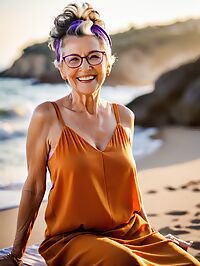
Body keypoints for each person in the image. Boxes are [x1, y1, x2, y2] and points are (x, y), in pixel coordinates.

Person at [0, 2, 199, 265]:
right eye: (73, 59)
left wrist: (153, 235)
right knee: (127, 263)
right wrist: (16, 253)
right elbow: (35, 187)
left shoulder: (124, 117)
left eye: (95, 56)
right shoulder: (47, 116)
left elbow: (132, 192)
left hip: (130, 233)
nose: (85, 67)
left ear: (108, 63)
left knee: (188, 263)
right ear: (61, 68)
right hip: (72, 239)